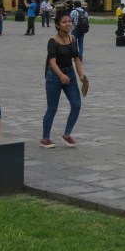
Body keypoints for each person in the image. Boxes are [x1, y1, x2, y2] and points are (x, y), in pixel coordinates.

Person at [41, 10, 88, 148]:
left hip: (70, 73)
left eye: (69, 21)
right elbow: (52, 61)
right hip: (54, 75)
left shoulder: (72, 39)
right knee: (52, 108)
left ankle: (67, 135)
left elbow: (77, 58)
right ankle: (45, 138)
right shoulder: (53, 41)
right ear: (57, 25)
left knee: (76, 104)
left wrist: (81, 75)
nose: (68, 24)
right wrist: (61, 75)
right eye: (64, 22)